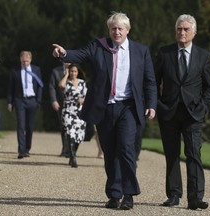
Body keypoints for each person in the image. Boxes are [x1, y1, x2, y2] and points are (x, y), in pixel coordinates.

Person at [52, 11, 157, 210]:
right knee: (110, 153)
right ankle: (114, 194)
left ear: (127, 30)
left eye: (120, 28)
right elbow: (79, 55)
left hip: (128, 107)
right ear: (109, 30)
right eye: (113, 28)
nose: (116, 32)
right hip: (105, 107)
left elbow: (150, 81)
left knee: (126, 148)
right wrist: (64, 53)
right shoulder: (99, 46)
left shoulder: (140, 51)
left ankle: (129, 194)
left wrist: (151, 104)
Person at [154, 14, 210, 210]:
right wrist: (158, 103)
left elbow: (209, 87)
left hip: (193, 115)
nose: (182, 32)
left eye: (186, 29)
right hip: (168, 113)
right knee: (171, 154)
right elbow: (153, 82)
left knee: (194, 154)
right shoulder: (164, 53)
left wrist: (202, 106)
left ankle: (195, 197)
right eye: (179, 29)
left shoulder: (203, 56)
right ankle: (173, 194)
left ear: (194, 33)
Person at [7, 51, 43, 159]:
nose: (25, 63)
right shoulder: (15, 71)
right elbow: (10, 88)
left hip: (32, 101)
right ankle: (21, 150)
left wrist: (38, 101)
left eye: (27, 61)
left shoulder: (36, 70)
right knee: (20, 126)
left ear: (30, 60)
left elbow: (40, 86)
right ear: (20, 60)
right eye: (23, 61)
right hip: (20, 100)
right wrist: (9, 102)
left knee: (30, 127)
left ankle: (27, 148)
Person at [58, 63, 87, 168]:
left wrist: (83, 100)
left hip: (79, 112)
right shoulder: (67, 82)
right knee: (70, 133)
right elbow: (61, 85)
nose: (73, 73)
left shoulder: (82, 83)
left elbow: (87, 96)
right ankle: (73, 158)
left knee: (79, 135)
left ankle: (72, 154)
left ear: (78, 72)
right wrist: (66, 75)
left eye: (75, 71)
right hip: (68, 111)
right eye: (71, 71)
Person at [49, 62, 71, 157]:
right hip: (61, 103)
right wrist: (54, 100)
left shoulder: (75, 70)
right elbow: (52, 87)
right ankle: (65, 148)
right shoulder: (55, 71)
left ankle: (71, 149)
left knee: (72, 126)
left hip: (73, 103)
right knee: (63, 126)